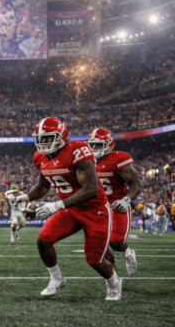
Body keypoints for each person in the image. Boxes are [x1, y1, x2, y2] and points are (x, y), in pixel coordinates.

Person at [8, 117, 120, 301]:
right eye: (40, 138)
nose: (43, 143)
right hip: (72, 210)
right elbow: (43, 186)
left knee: (94, 259)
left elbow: (92, 189)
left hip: (95, 210)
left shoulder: (78, 150)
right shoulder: (40, 157)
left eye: (48, 138)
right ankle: (57, 278)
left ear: (61, 137)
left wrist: (56, 205)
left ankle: (114, 283)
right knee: (43, 240)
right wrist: (25, 197)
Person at [87, 128, 141, 275]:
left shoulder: (119, 158)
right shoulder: (85, 162)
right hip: (98, 206)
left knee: (116, 242)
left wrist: (126, 199)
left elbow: (136, 184)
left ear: (108, 144)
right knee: (99, 243)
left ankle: (129, 255)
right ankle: (112, 277)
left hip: (118, 204)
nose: (93, 148)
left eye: (97, 145)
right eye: (91, 144)